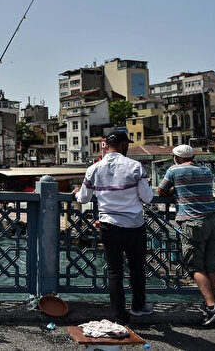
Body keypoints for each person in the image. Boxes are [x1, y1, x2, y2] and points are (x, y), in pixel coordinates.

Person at [72, 131, 154, 325]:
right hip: (134, 226)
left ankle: (120, 316)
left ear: (107, 145)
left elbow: (83, 198)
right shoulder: (135, 167)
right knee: (136, 268)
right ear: (124, 145)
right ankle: (138, 307)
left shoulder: (94, 168)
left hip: (109, 225)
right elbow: (148, 197)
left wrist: (76, 192)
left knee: (114, 272)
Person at [157, 144, 215, 326]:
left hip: (194, 224)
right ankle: (211, 304)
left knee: (196, 267)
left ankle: (211, 306)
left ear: (178, 157)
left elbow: (161, 191)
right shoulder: (206, 171)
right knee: (211, 267)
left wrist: (173, 191)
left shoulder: (174, 170)